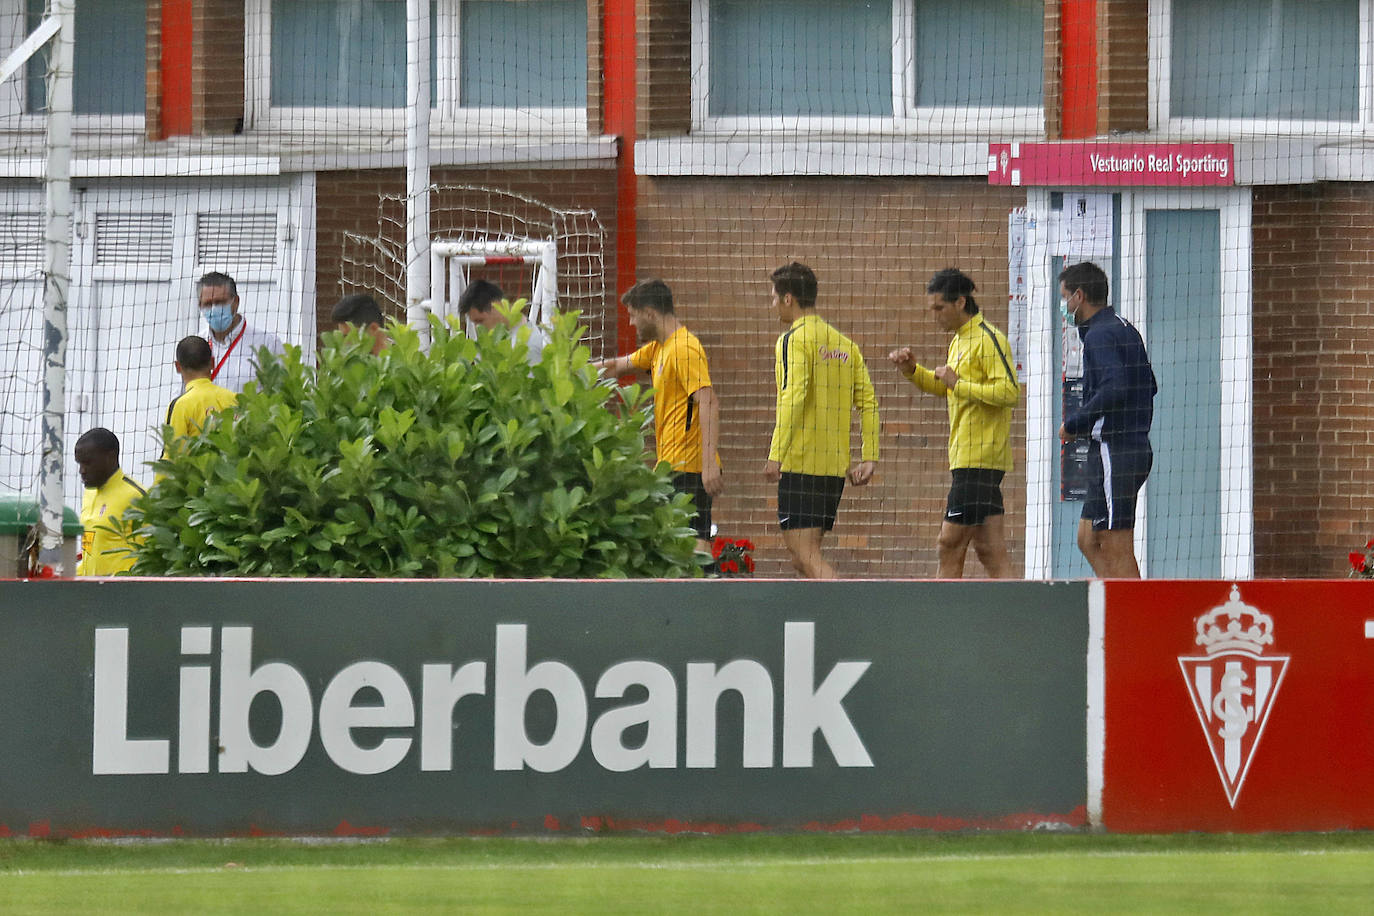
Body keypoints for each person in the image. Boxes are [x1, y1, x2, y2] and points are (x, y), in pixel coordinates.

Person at [889, 269, 1019, 578]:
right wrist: (913, 370)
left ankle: (939, 621)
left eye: (939, 308)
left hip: (981, 459)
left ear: (960, 302)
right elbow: (946, 387)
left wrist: (959, 383)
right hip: (966, 458)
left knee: (948, 544)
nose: (935, 315)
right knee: (990, 551)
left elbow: (1010, 392)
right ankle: (1020, 619)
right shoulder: (960, 340)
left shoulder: (988, 339)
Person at [764, 262, 879, 579]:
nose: (772, 305)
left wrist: (776, 454)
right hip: (833, 469)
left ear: (789, 298)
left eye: (774, 298)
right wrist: (870, 456)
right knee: (805, 558)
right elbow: (868, 402)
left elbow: (793, 396)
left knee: (805, 554)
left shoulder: (793, 339)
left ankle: (847, 617)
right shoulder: (845, 345)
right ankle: (821, 625)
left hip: (801, 463)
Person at [592, 279, 722, 554]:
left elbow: (708, 401)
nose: (631, 323)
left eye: (633, 315)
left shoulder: (685, 348)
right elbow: (616, 366)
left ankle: (708, 593)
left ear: (650, 313)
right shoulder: (658, 349)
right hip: (669, 466)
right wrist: (573, 371)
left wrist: (709, 464)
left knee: (694, 545)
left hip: (690, 466)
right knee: (676, 544)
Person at [1057, 261, 1158, 578]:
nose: (1063, 306)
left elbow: (1115, 386)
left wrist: (1076, 423)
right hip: (1128, 448)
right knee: (1088, 539)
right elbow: (1149, 384)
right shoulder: (1122, 327)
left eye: (1064, 298)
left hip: (1116, 449)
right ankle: (1115, 599)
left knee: (1115, 545)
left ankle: (1135, 619)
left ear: (1079, 296)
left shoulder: (1100, 336)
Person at [75, 428, 146, 576]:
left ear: (110, 457)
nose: (82, 470)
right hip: (90, 593)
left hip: (121, 594)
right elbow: (89, 551)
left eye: (87, 463)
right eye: (79, 464)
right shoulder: (89, 493)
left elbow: (149, 557)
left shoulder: (135, 497)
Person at [198, 272, 285, 393]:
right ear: (200, 305)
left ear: (236, 302)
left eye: (220, 302)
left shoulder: (267, 343)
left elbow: (282, 394)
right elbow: (179, 398)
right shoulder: (195, 345)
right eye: (207, 304)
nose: (213, 309)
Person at [458, 279, 549, 366]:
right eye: (474, 323)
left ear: (497, 306)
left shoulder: (529, 344)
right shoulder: (490, 344)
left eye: (480, 321)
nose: (477, 328)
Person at [165, 335, 238, 441]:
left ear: (178, 366)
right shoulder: (234, 398)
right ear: (212, 363)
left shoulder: (180, 406)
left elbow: (174, 453)